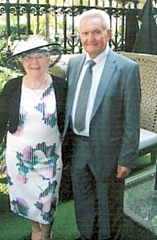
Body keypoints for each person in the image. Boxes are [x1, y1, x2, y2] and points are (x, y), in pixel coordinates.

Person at [63, 9, 141, 240]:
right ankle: (87, 236)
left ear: (108, 33)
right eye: (85, 33)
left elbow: (131, 118)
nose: (90, 38)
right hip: (78, 147)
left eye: (96, 32)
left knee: (109, 205)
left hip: (109, 149)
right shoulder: (75, 63)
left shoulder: (126, 69)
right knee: (84, 202)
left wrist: (126, 158)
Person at [0, 35, 67, 240]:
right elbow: (0, 116)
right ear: (21, 62)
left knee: (48, 199)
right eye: (28, 58)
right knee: (28, 197)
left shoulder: (61, 86)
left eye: (39, 57)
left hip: (50, 157)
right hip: (19, 156)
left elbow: (68, 119)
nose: (34, 62)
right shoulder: (13, 86)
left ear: (48, 60)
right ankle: (35, 229)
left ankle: (45, 233)